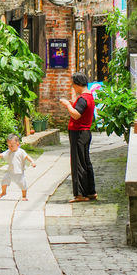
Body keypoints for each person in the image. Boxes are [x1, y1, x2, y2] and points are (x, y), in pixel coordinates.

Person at [59, 72, 97, 203]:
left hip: (79, 133)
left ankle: (80, 194)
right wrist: (72, 104)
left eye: (73, 85)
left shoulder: (83, 98)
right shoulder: (89, 96)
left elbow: (76, 115)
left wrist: (68, 105)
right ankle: (91, 191)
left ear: (78, 84)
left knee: (78, 163)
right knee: (86, 162)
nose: (73, 87)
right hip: (85, 132)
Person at [0, 133, 37, 200]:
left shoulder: (21, 152)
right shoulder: (8, 152)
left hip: (19, 173)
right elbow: (2, 155)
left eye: (12, 146)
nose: (10, 148)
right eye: (8, 146)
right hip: (10, 172)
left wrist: (32, 162)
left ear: (17, 144)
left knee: (23, 185)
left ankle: (24, 196)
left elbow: (27, 157)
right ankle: (3, 192)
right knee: (4, 181)